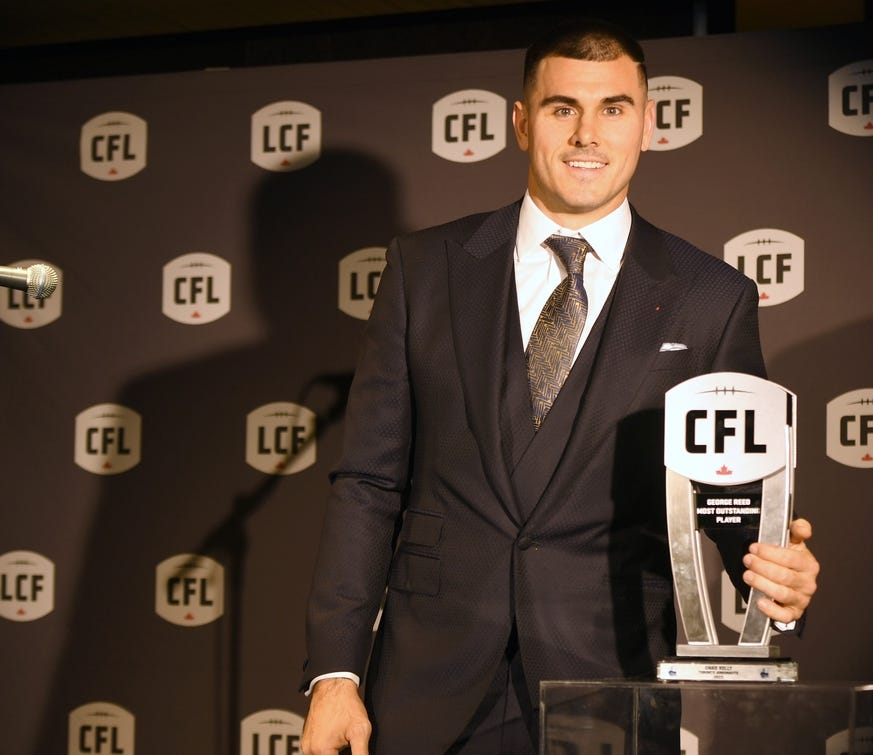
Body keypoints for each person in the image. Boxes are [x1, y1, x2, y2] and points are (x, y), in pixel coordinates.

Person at [301, 19, 820, 754]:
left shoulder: (711, 296)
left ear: (646, 124)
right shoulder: (425, 268)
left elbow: (728, 487)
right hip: (428, 681)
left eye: (611, 109)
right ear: (521, 122)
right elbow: (367, 482)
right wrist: (334, 673)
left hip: (610, 674)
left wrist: (776, 582)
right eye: (560, 108)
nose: (586, 134)